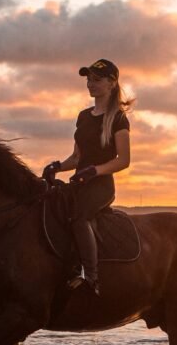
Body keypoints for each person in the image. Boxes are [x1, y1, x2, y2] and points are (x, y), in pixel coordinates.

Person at [42, 58, 132, 295]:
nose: (91, 84)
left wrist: (94, 171)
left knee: (79, 216)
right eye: (88, 79)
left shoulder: (119, 119)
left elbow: (123, 160)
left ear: (112, 83)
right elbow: (76, 157)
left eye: (97, 79)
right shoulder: (83, 116)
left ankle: (91, 278)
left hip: (101, 186)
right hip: (80, 182)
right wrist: (56, 167)